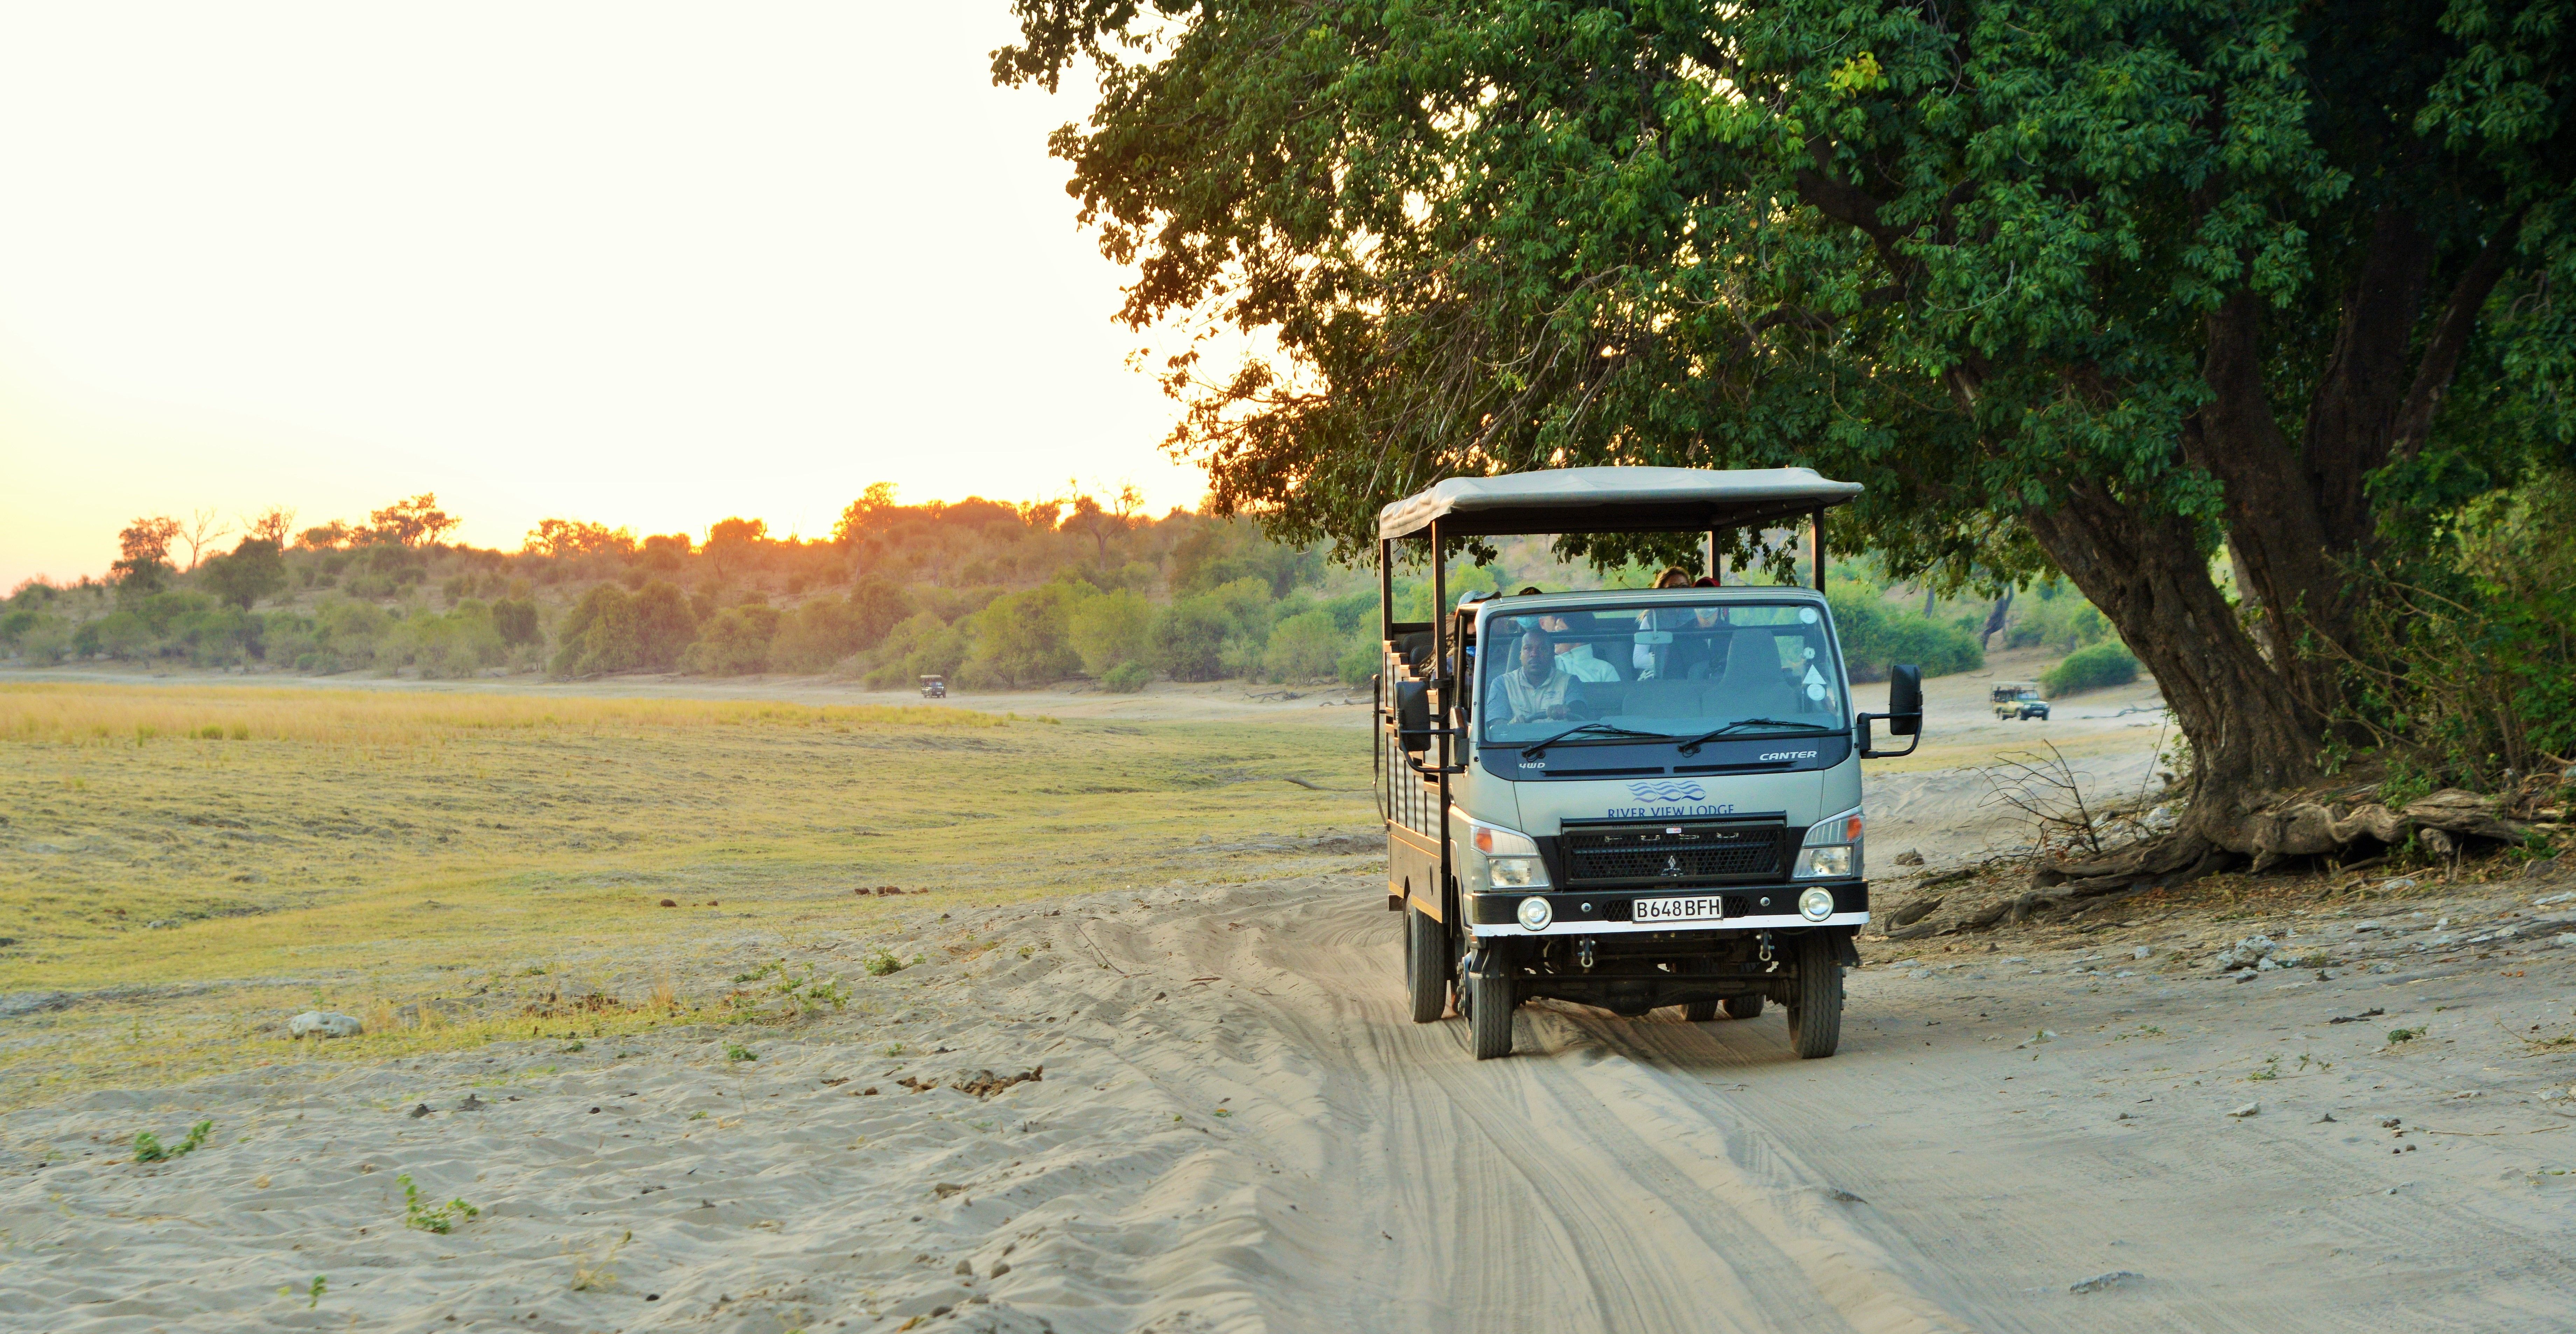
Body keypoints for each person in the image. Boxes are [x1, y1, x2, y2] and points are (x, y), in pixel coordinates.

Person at [1500, 623, 1582, 724]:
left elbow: (1579, 714)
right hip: (1516, 739)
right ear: (1520, 654)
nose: (1534, 654)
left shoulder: (1569, 681)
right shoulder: (1503, 683)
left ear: (1553, 654)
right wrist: (1511, 725)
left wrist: (1566, 710)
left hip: (1561, 739)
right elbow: (1496, 727)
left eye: (1542, 649)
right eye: (1528, 649)